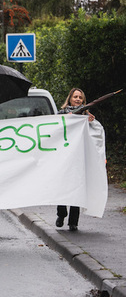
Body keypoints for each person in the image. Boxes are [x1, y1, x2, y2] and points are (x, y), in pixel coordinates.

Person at [55, 88, 95, 231]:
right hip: (64, 156)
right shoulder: (61, 113)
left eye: (80, 98)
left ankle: (73, 222)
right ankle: (61, 213)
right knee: (63, 187)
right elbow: (55, 129)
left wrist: (91, 122)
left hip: (79, 156)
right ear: (70, 98)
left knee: (77, 188)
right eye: (75, 97)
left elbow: (92, 133)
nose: (78, 99)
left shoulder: (86, 114)